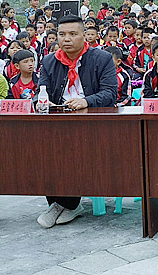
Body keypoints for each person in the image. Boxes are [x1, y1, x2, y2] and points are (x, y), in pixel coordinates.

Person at [36, 15, 117, 229]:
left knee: (72, 151)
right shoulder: (49, 61)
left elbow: (110, 93)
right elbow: (40, 91)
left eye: (73, 34)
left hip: (91, 123)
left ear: (84, 35)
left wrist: (86, 101)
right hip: (58, 121)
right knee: (43, 151)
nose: (66, 39)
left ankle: (61, 206)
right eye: (61, 34)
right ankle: (67, 205)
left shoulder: (102, 58)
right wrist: (43, 102)